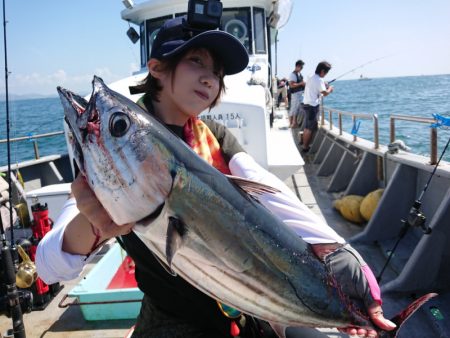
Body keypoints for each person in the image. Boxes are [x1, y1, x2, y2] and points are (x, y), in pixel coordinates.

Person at [36, 16, 393, 338]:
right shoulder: (121, 147)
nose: (210, 77)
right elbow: (49, 265)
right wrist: (92, 223)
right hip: (174, 317)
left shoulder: (215, 136)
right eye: (196, 61)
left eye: (217, 71)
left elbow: (269, 194)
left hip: (250, 305)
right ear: (157, 68)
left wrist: (349, 265)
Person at [301, 61, 333, 153]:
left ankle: (305, 144)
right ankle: (305, 147)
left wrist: (324, 84)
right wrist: (330, 89)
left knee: (308, 126)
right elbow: (325, 93)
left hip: (306, 104)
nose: (326, 74)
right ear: (322, 71)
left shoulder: (311, 76)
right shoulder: (319, 80)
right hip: (312, 106)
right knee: (309, 128)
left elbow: (315, 88)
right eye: (326, 72)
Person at [288, 60, 305, 128]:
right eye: (301, 67)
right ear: (297, 66)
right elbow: (291, 85)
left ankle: (294, 123)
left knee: (297, 108)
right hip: (295, 94)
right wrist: (301, 83)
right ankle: (291, 123)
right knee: (293, 109)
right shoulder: (293, 74)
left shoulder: (299, 74)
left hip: (300, 94)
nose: (301, 69)